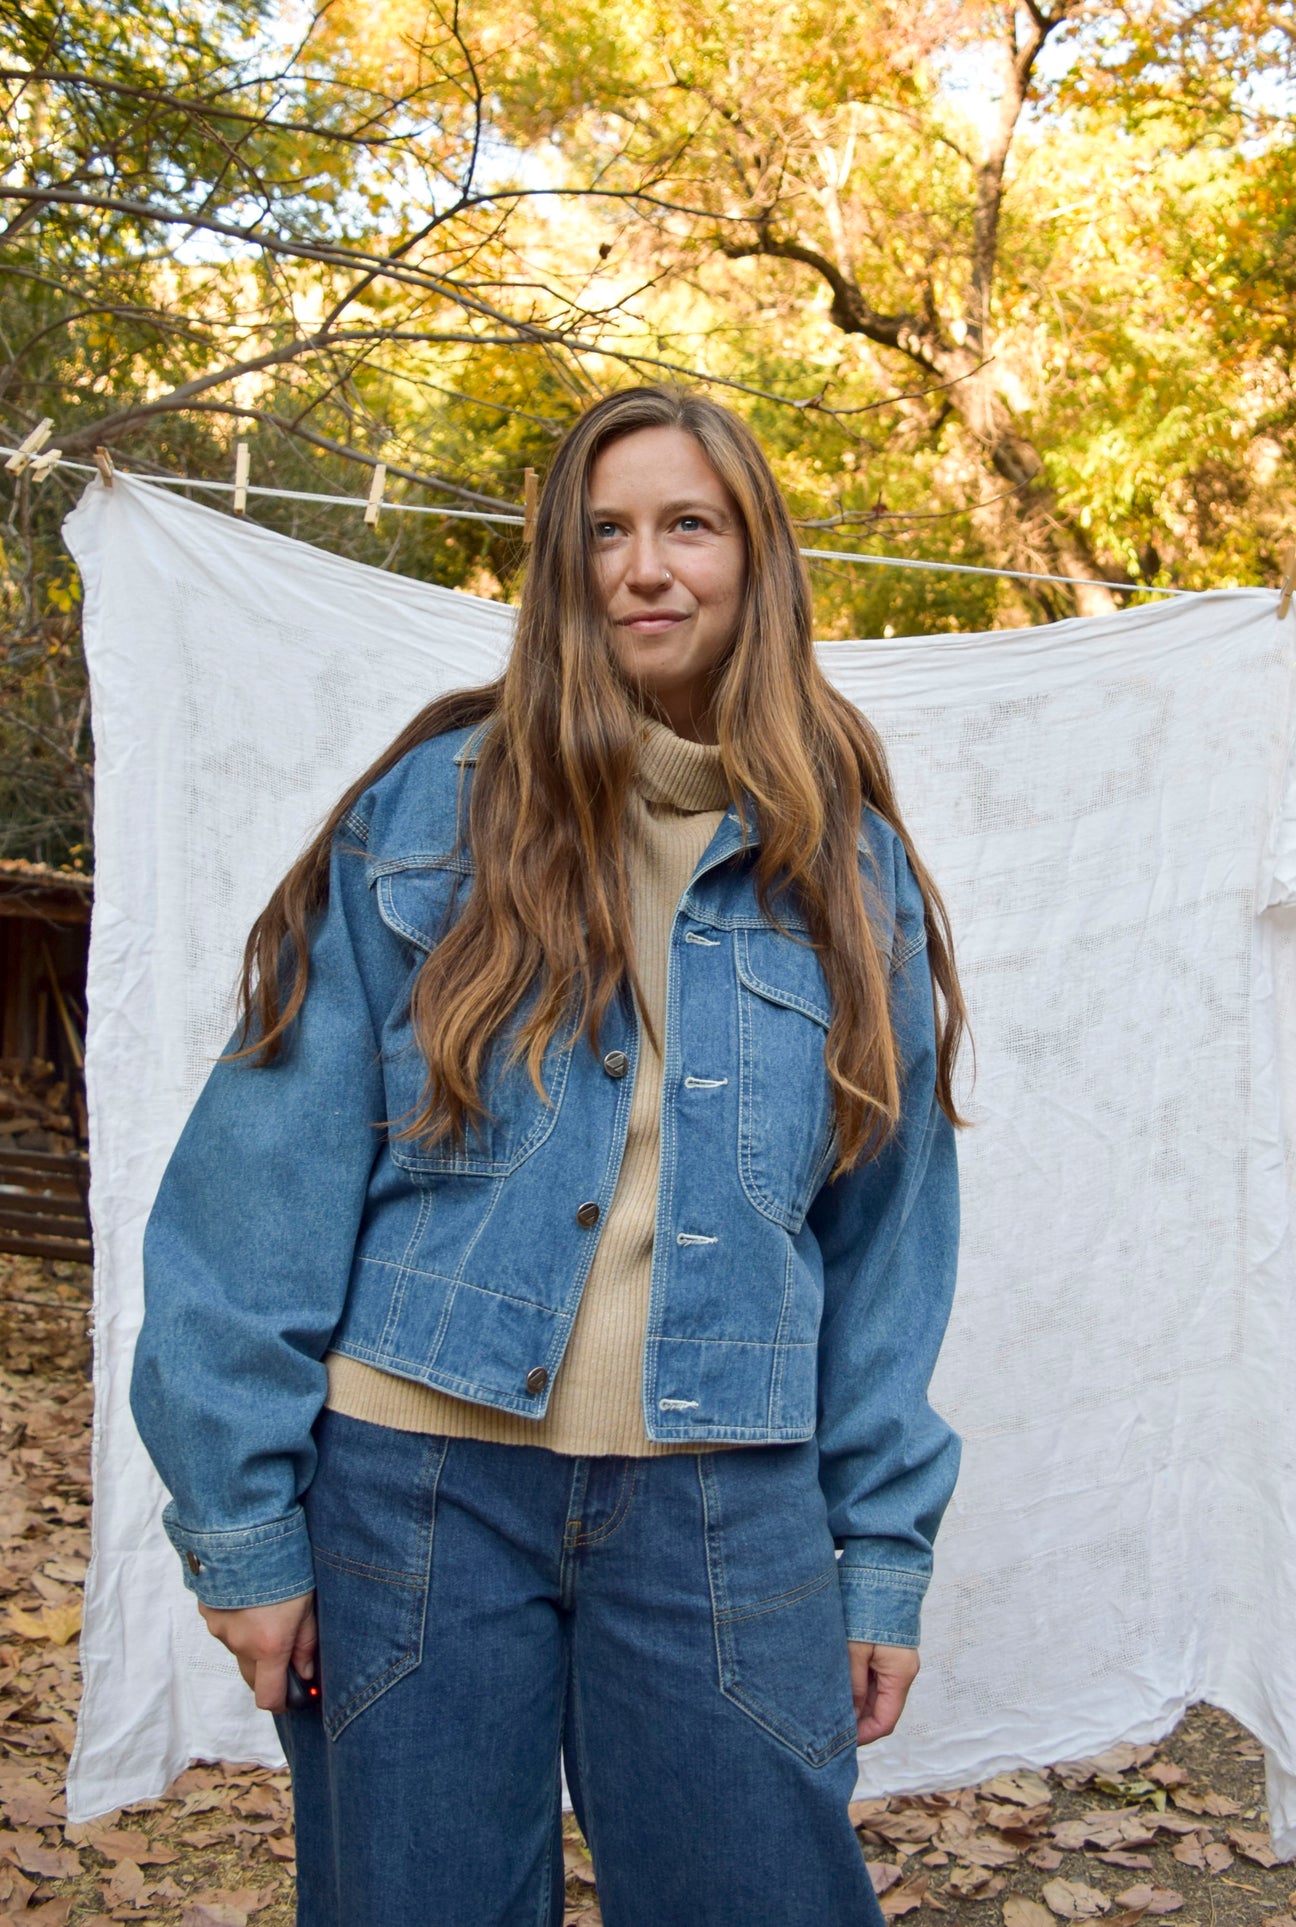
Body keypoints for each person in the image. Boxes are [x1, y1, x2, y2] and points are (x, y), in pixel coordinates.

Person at [131, 385, 967, 1927]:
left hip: (727, 1497)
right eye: (604, 534)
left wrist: (878, 1552)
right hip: (415, 1492)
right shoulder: (432, 816)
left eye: (687, 526)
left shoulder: (849, 868)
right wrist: (242, 1527)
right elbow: (258, 1186)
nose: (645, 567)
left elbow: (887, 1240)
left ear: (754, 559)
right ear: (560, 573)